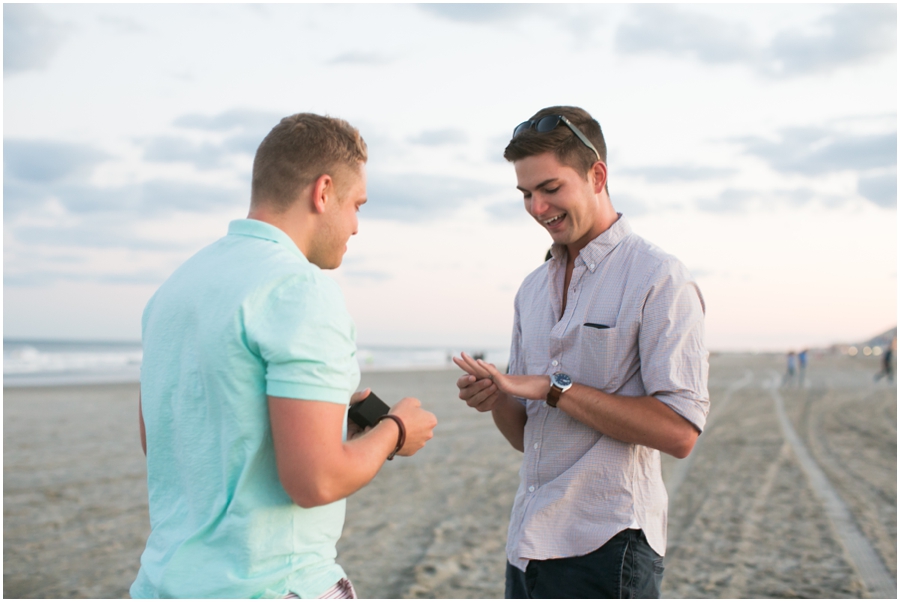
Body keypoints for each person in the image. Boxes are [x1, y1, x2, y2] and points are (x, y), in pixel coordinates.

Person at [132, 113, 437, 599]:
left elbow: (175, 443)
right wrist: (395, 431)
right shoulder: (300, 289)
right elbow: (315, 481)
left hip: (165, 584)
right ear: (322, 192)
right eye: (356, 205)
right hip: (274, 584)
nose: (357, 226)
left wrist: (332, 428)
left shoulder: (174, 289)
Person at [454, 106, 709, 599]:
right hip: (528, 543)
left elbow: (680, 432)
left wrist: (556, 389)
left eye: (550, 189)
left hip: (609, 545)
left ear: (597, 175)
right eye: (526, 194)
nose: (537, 207)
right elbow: (530, 439)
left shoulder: (659, 278)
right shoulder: (531, 290)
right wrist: (498, 398)